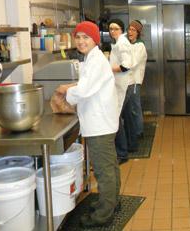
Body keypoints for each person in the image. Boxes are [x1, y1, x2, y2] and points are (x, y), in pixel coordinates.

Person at [56, 21, 120, 228]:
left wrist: (66, 91)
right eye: (78, 37)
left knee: (103, 170)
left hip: (99, 123)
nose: (81, 41)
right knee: (110, 167)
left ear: (95, 40)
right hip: (101, 121)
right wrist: (72, 87)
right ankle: (111, 203)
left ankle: (103, 214)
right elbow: (86, 85)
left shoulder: (96, 61)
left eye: (86, 37)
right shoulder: (92, 58)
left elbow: (83, 91)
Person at [108, 19, 132, 163]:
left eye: (116, 29)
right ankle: (124, 150)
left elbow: (126, 66)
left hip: (122, 86)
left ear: (121, 30)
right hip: (120, 85)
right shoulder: (118, 42)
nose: (113, 31)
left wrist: (107, 69)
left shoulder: (122, 43)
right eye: (111, 29)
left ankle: (122, 153)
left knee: (115, 118)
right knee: (121, 119)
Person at [123, 20, 147, 149]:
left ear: (138, 33)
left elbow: (133, 63)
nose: (130, 32)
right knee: (131, 108)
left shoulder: (140, 46)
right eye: (129, 29)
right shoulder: (128, 44)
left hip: (135, 81)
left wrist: (118, 68)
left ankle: (138, 132)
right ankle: (134, 131)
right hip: (127, 81)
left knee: (134, 107)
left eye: (133, 30)